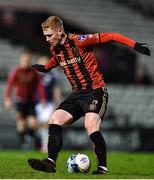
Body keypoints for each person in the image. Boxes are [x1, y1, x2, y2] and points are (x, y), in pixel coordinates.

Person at [28, 16, 150, 174]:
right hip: (77, 94)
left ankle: (102, 168)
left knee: (90, 125)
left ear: (59, 31)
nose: (47, 39)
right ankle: (51, 162)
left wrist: (135, 45)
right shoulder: (55, 49)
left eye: (49, 35)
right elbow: (57, 59)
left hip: (95, 90)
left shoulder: (80, 40)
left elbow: (111, 36)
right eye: (45, 36)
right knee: (55, 119)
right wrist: (45, 68)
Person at [4, 50, 46, 151]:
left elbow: (39, 85)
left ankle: (30, 138)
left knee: (33, 123)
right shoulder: (16, 71)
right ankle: (23, 142)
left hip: (31, 101)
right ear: (20, 60)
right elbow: (9, 85)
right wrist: (7, 98)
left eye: (27, 60)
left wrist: (42, 98)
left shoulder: (33, 73)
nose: (25, 62)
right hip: (20, 101)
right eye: (24, 60)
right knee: (21, 124)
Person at [35, 56, 62, 152]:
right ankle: (40, 142)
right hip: (36, 102)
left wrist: (58, 102)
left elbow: (56, 89)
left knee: (47, 123)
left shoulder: (51, 75)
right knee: (38, 124)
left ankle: (45, 145)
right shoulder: (34, 75)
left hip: (49, 103)